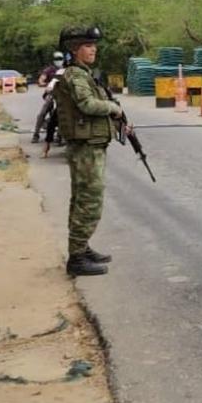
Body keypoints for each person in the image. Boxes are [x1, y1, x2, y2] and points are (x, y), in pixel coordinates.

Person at [54, 26, 127, 277]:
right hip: (85, 149)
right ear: (75, 50)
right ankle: (76, 258)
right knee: (89, 201)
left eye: (94, 45)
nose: (93, 49)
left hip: (91, 146)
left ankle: (81, 249)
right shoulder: (76, 75)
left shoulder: (84, 74)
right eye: (87, 45)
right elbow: (86, 104)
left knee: (82, 199)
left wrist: (119, 122)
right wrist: (112, 108)